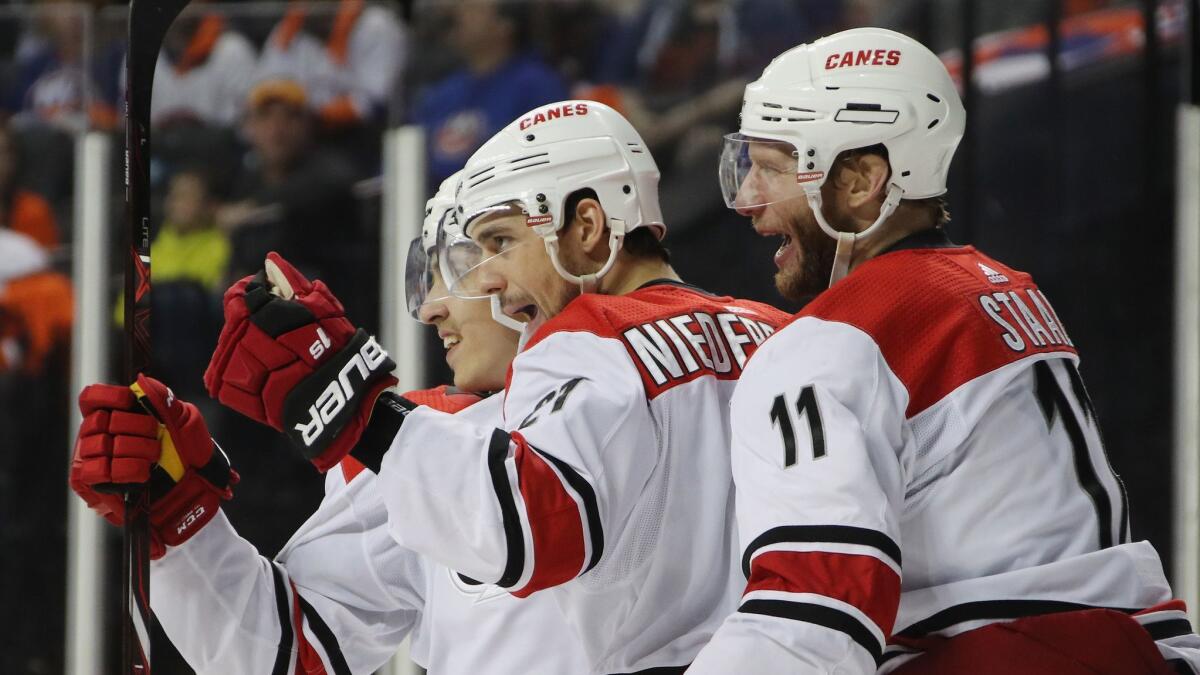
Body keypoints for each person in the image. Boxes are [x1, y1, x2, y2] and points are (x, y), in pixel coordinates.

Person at [201, 100, 790, 673]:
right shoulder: (781, 335)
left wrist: (362, 411)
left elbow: (538, 523)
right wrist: (184, 532)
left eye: (497, 245)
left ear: (587, 225)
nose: (475, 285)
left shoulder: (586, 341)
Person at [687, 27, 1200, 674]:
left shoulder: (831, 342)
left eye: (771, 169)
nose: (749, 201)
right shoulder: (1002, 286)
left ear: (860, 180)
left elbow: (813, 613)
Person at [68, 176, 590, 674]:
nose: (432, 309)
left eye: (462, 268)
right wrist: (181, 521)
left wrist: (370, 417)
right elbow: (289, 657)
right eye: (431, 278)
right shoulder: (424, 438)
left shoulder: (642, 377)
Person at [412, 0, 568, 183]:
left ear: (505, 25)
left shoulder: (538, 86)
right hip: (437, 202)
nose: (457, 16)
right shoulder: (442, 92)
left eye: (472, 9)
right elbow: (409, 157)